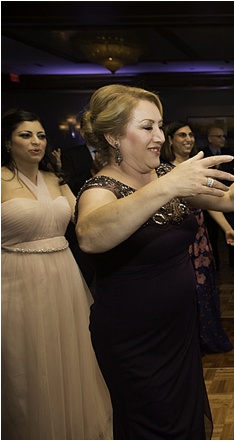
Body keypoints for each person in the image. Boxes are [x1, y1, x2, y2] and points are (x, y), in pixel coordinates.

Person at [74, 84, 234, 438]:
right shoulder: (102, 188)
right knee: (150, 422)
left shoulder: (166, 178)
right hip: (134, 338)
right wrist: (168, 184)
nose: (159, 136)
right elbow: (90, 236)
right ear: (113, 136)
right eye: (147, 127)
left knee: (181, 418)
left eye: (159, 125)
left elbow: (230, 199)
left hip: (179, 329)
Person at [1, 109, 113, 439]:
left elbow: (87, 218)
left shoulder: (56, 178)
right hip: (16, 276)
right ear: (8, 142)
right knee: (24, 362)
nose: (36, 142)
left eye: (40, 135)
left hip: (64, 274)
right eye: (25, 135)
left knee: (70, 353)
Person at [161, 121, 234, 354]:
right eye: (182, 135)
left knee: (204, 289)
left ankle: (206, 337)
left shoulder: (198, 168)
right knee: (182, 292)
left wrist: (226, 228)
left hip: (199, 237)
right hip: (177, 239)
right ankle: (185, 342)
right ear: (170, 140)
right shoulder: (162, 171)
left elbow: (211, 201)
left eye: (191, 135)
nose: (188, 139)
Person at [202, 124, 234, 275]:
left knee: (231, 230)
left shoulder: (229, 153)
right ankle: (216, 267)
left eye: (224, 136)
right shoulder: (202, 154)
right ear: (210, 139)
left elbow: (233, 174)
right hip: (207, 199)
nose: (223, 139)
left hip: (227, 196)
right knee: (212, 235)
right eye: (219, 136)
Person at [60, 120, 98, 286]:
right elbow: (68, 185)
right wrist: (91, 172)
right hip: (79, 219)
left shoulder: (114, 153)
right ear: (82, 132)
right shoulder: (71, 155)